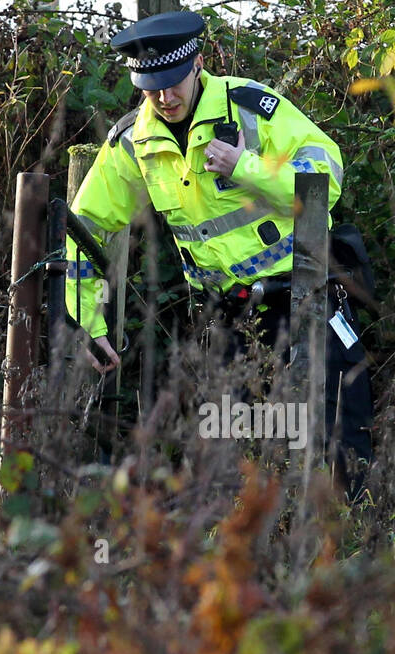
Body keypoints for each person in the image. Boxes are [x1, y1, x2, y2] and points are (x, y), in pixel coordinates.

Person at [63, 9, 373, 501]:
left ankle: (353, 552)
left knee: (337, 438)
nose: (164, 98)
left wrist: (246, 166)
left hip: (305, 298)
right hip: (225, 319)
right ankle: (252, 563)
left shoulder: (252, 108)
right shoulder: (133, 142)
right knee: (233, 458)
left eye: (172, 84)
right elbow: (85, 227)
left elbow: (325, 183)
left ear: (198, 65)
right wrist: (88, 318)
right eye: (151, 88)